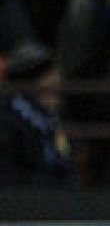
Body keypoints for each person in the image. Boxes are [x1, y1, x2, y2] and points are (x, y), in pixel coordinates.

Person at [0, 43, 72, 188]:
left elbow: (64, 164)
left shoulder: (51, 119)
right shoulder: (8, 120)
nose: (57, 77)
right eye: (47, 74)